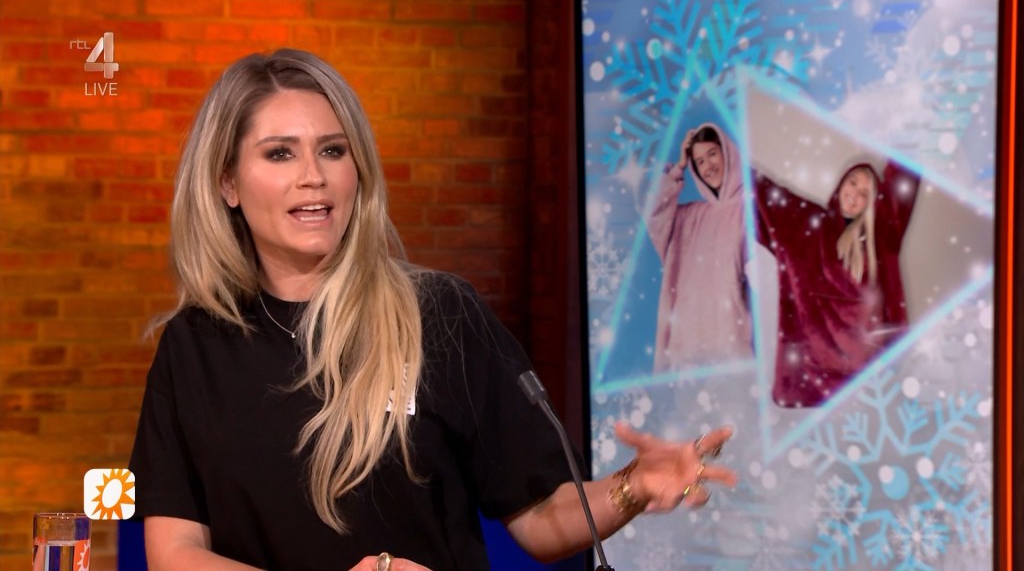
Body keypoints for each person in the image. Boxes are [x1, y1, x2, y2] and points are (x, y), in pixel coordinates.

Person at [128, 48, 738, 571]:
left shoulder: (441, 315)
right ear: (228, 183)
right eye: (280, 154)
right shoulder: (193, 345)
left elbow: (542, 518)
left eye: (333, 150)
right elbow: (175, 551)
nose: (313, 176)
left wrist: (634, 486)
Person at [754, 160, 920, 407]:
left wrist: (909, 139)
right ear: (841, 184)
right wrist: (733, 165)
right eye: (852, 183)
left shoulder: (881, 236)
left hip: (865, 387)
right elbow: (766, 198)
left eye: (864, 193)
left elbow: (905, 171)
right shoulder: (808, 225)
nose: (855, 194)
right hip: (810, 382)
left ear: (871, 203)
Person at [646, 123, 753, 374]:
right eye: (699, 162)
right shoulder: (690, 217)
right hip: (686, 356)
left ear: (728, 153)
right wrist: (679, 167)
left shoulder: (749, 209)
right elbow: (653, 213)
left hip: (732, 352)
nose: (708, 166)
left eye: (712, 154)